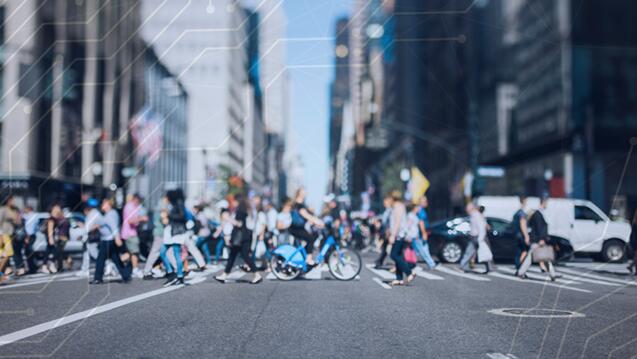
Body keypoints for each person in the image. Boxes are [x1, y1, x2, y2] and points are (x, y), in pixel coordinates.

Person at [214, 195, 262, 284]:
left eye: (234, 201)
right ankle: (224, 275)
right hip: (245, 236)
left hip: (241, 237)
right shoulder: (246, 210)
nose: (233, 203)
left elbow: (239, 224)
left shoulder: (241, 211)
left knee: (244, 256)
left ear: (238, 202)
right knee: (233, 256)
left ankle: (257, 274)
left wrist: (228, 219)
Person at [91, 198, 132, 284]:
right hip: (109, 239)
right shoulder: (111, 213)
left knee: (100, 259)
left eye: (104, 204)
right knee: (116, 258)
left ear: (108, 205)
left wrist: (117, 238)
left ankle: (98, 278)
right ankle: (126, 275)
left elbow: (113, 227)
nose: (102, 205)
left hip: (108, 240)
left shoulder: (110, 214)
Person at [517, 197, 556, 281]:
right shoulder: (538, 214)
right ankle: (552, 274)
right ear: (543, 203)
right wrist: (541, 239)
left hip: (536, 239)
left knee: (538, 257)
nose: (547, 205)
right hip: (537, 240)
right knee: (540, 257)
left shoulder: (537, 213)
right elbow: (539, 228)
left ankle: (553, 274)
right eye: (546, 203)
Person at [160, 189, 188, 287]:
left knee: (176, 254)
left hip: (177, 231)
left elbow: (182, 216)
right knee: (162, 252)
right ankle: (172, 274)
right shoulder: (173, 204)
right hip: (171, 230)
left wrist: (169, 215)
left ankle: (179, 276)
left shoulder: (179, 203)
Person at [288, 188, 323, 266]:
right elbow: (306, 215)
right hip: (295, 228)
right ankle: (308, 259)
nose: (305, 193)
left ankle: (303, 256)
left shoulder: (302, 203)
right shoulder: (298, 203)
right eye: (304, 192)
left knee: (314, 236)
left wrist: (316, 222)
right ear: (299, 193)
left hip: (299, 228)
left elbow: (309, 216)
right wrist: (317, 221)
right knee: (310, 239)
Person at [388, 192, 416, 286]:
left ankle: (409, 272)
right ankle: (399, 278)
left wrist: (393, 235)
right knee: (398, 255)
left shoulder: (398, 207)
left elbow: (397, 222)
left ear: (393, 198)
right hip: (399, 234)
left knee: (393, 255)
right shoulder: (397, 206)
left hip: (399, 235)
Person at [121, 194, 148, 279]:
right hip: (129, 232)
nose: (139, 203)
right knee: (135, 252)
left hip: (132, 231)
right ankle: (135, 269)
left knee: (131, 252)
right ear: (135, 199)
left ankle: (115, 263)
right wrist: (141, 219)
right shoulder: (130, 207)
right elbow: (130, 220)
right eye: (138, 201)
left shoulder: (132, 206)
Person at [460, 202, 491, 273]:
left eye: (467, 208)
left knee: (473, 251)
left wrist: (480, 238)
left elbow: (481, 227)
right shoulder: (474, 215)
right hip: (475, 236)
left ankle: (463, 265)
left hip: (477, 237)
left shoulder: (476, 215)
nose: (466, 209)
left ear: (471, 208)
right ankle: (488, 267)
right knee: (480, 252)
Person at [78, 198, 102, 277]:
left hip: (92, 237)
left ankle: (108, 264)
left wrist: (82, 226)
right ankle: (84, 269)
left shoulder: (93, 214)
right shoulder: (96, 213)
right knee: (86, 254)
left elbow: (88, 227)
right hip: (91, 237)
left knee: (94, 254)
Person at [411, 196, 437, 269]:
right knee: (423, 249)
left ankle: (411, 264)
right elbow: (421, 222)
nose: (426, 203)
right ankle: (431, 263)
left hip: (419, 233)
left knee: (418, 249)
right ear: (420, 202)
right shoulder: (421, 211)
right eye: (424, 201)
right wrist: (424, 233)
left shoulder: (421, 210)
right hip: (419, 234)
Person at [46, 204, 71, 273]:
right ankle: (61, 265)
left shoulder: (59, 219)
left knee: (58, 251)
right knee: (59, 252)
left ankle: (54, 263)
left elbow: (51, 229)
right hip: (62, 237)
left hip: (61, 237)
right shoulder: (64, 218)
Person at [0, 195, 18, 277]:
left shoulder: (12, 210)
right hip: (4, 234)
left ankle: (2, 273)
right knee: (6, 255)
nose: (13, 202)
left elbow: (17, 222)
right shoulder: (3, 209)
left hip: (10, 234)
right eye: (12, 200)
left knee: (5, 255)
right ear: (7, 200)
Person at [512, 196, 531, 273]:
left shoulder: (517, 213)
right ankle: (520, 267)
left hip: (516, 235)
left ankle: (518, 267)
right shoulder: (522, 213)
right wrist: (526, 236)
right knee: (525, 251)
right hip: (521, 235)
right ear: (524, 202)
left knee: (519, 252)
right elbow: (523, 224)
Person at [374, 195, 393, 269]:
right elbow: (383, 219)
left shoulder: (390, 210)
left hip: (388, 232)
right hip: (386, 231)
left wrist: (388, 232)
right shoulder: (387, 210)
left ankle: (400, 264)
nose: (384, 203)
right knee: (385, 248)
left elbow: (390, 222)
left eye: (385, 201)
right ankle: (379, 261)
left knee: (393, 250)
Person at [628, 209, 637, 275]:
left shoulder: (633, 223)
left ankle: (631, 266)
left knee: (636, 256)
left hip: (634, 240)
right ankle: (631, 266)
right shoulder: (635, 225)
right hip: (635, 240)